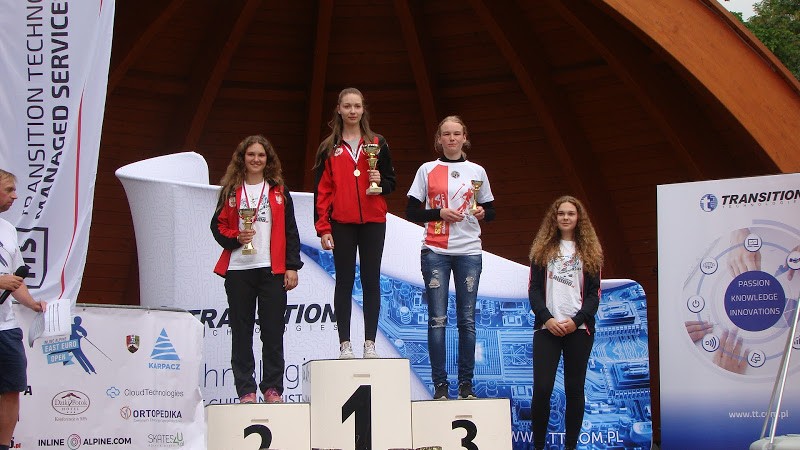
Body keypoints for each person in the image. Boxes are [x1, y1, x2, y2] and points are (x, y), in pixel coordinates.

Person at [406, 116, 495, 400]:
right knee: (437, 320)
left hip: (469, 250)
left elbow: (491, 211)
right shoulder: (427, 169)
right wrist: (439, 213)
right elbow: (411, 211)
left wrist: (482, 212)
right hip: (436, 251)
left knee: (467, 321)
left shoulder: (477, 170)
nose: (452, 139)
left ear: (465, 137)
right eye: (447, 134)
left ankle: (466, 386)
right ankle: (440, 386)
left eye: (457, 134)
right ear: (439, 139)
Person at [211, 135, 303, 404]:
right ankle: (246, 390)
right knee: (241, 332)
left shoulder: (278, 191)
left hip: (271, 270)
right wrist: (236, 237)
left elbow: (290, 230)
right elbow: (217, 226)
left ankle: (273, 388)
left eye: (261, 155)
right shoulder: (231, 191)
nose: (256, 159)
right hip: (239, 269)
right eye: (251, 154)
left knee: (273, 332)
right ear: (242, 158)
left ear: (268, 159)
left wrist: (292, 266)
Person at [313, 87, 396, 359]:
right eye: (347, 106)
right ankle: (345, 345)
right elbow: (322, 192)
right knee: (344, 282)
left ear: (363, 109)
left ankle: (370, 344)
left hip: (373, 221)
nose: (352, 111)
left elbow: (391, 183)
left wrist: (380, 182)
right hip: (342, 223)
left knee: (372, 281)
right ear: (339, 109)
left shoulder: (378, 142)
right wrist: (323, 228)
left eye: (357, 106)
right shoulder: (328, 148)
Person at [528, 195, 603, 450]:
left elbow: (594, 294)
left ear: (578, 218)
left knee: (574, 389)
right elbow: (534, 289)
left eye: (571, 213)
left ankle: (570, 446)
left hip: (579, 330)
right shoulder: (542, 249)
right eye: (561, 213)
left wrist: (577, 320)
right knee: (542, 389)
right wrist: (547, 319)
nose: (566, 218)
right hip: (546, 329)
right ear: (554, 218)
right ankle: (538, 446)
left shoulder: (590, 251)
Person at [0, 169, 46, 450]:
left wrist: (32, 303)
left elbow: (15, 277)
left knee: (12, 388)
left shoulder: (7, 229)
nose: (15, 196)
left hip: (5, 326)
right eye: (9, 190)